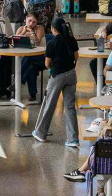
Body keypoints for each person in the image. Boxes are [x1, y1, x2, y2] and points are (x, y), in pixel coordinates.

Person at [63, 92, 112, 196]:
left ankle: (91, 182)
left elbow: (103, 136)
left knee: (102, 155)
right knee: (103, 156)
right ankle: (95, 188)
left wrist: (104, 124)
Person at [32, 17, 79, 147]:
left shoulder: (52, 43)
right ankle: (73, 139)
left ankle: (41, 133)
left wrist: (52, 69)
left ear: (53, 29)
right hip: (71, 74)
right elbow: (76, 57)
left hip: (57, 75)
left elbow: (47, 63)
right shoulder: (71, 40)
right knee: (70, 106)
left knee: (50, 104)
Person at [15, 12, 47, 102]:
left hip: (41, 57)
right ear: (25, 19)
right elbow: (14, 41)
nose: (31, 24)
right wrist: (24, 32)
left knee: (28, 59)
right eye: (29, 21)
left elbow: (37, 42)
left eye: (34, 22)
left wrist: (32, 32)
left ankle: (19, 82)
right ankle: (32, 94)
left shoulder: (39, 28)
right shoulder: (21, 29)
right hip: (30, 60)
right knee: (31, 67)